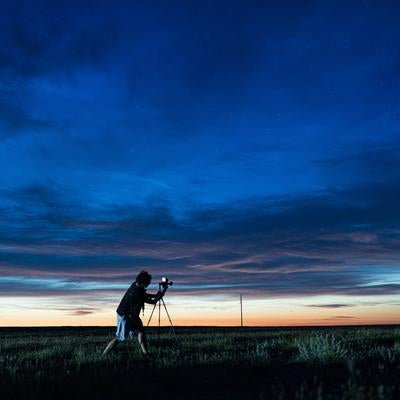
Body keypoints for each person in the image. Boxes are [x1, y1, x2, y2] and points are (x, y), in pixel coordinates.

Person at [102, 270, 166, 356]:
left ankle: (145, 353)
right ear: (143, 283)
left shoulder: (135, 285)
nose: (148, 284)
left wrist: (156, 295)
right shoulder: (137, 293)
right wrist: (163, 292)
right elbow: (152, 302)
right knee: (120, 338)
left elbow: (144, 294)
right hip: (124, 315)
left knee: (141, 331)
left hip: (132, 315)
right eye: (147, 283)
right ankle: (104, 354)